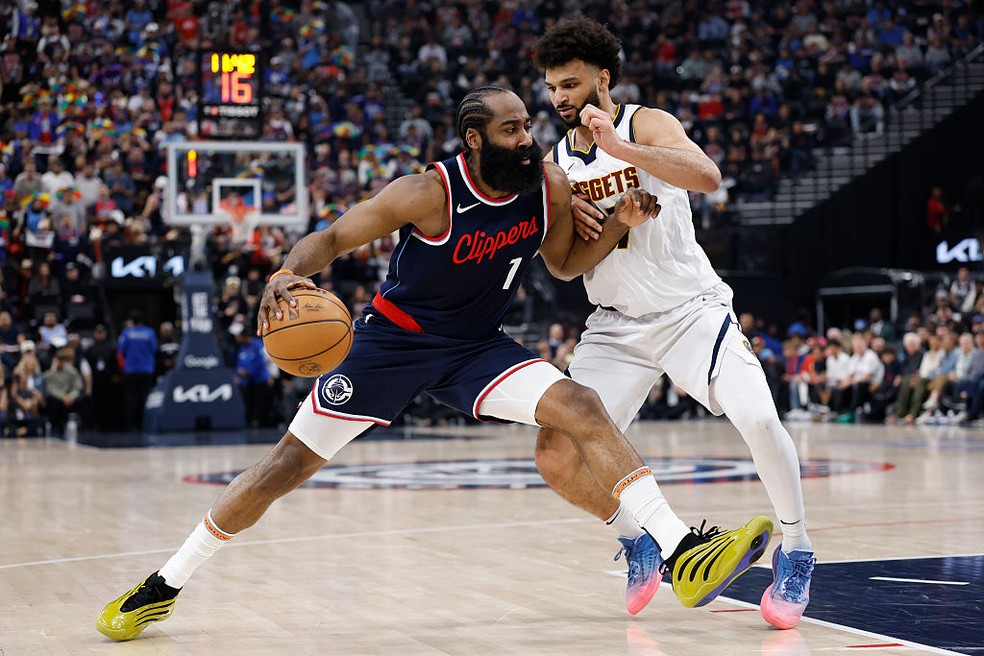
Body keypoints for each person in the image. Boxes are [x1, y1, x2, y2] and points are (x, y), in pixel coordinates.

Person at [97, 87, 771, 641]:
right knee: (283, 468)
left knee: (579, 406)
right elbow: (333, 237)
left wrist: (618, 224)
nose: (527, 138)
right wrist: (284, 273)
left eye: (527, 125)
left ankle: (682, 552)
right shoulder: (427, 192)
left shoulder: (548, 185)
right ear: (474, 139)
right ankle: (164, 585)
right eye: (511, 130)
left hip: (476, 348)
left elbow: (567, 264)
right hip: (391, 346)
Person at [531, 18, 813, 628]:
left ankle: (797, 548)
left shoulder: (646, 124)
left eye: (570, 84)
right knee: (556, 454)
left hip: (689, 310)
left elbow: (708, 177)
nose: (559, 98)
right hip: (615, 326)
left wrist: (621, 150)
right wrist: (609, 222)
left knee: (759, 418)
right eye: (552, 87)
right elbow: (562, 267)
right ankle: (638, 538)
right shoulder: (554, 166)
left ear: (603, 79)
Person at [118, 311, 157, 430]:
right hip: (146, 369)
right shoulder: (150, 332)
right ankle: (144, 424)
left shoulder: (127, 333)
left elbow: (121, 350)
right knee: (144, 398)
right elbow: (154, 348)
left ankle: (130, 425)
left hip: (131, 370)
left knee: (130, 399)